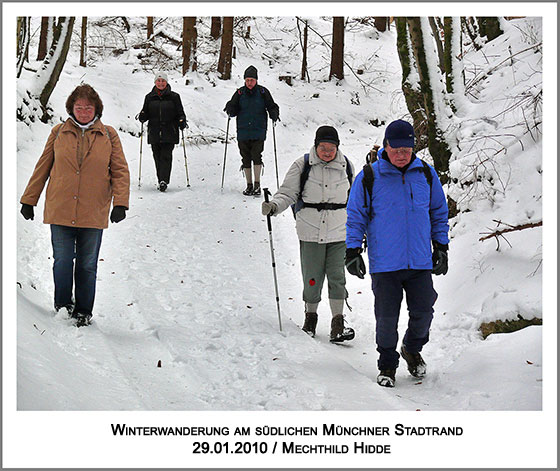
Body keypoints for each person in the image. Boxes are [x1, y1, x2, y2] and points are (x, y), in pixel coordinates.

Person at [345, 119, 449, 387]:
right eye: (396, 149)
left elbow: (438, 211)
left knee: (424, 312)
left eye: (407, 149)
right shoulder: (369, 176)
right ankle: (387, 365)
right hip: (385, 263)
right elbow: (356, 216)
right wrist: (353, 250)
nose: (402, 154)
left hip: (419, 261)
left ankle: (411, 349)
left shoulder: (426, 173)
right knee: (387, 318)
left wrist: (441, 246)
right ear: (386, 146)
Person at [20, 84, 130, 327]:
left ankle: (83, 310)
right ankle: (62, 304)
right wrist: (29, 199)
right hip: (60, 208)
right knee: (62, 259)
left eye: (87, 107)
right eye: (78, 107)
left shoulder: (109, 135)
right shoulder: (59, 132)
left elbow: (120, 171)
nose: (83, 111)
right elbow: (43, 166)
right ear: (71, 108)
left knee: (87, 264)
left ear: (96, 109)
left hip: (93, 209)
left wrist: (120, 203)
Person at [261, 126, 355, 342]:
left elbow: (355, 198)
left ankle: (338, 323)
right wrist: (274, 206)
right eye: (323, 147)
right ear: (316, 145)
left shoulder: (346, 166)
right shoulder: (302, 165)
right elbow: (288, 193)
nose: (328, 152)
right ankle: (310, 318)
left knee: (337, 277)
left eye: (332, 148)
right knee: (312, 277)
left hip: (339, 230)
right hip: (310, 230)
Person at [224, 65, 280, 196]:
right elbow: (233, 108)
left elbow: (271, 105)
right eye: (247, 80)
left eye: (252, 80)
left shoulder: (263, 92)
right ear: (244, 80)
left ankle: (257, 184)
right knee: (245, 157)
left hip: (258, 130)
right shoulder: (239, 93)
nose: (249, 83)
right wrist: (230, 108)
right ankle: (249, 185)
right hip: (243, 130)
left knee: (256, 155)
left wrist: (274, 113)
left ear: (256, 80)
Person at [138, 72, 187, 192]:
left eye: (163, 81)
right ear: (155, 82)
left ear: (167, 82)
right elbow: (145, 112)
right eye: (158, 81)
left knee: (166, 156)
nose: (160, 83)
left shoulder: (174, 97)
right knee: (157, 156)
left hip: (170, 131)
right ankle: (161, 179)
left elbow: (180, 112)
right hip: (154, 131)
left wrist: (182, 120)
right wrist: (142, 116)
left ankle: (163, 180)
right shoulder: (149, 97)